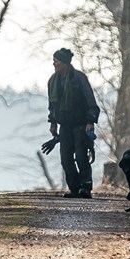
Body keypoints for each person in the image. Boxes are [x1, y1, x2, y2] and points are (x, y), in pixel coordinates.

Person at [47, 47, 100, 198]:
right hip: (64, 126)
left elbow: (90, 101)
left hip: (80, 125)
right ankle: (74, 188)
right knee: (66, 158)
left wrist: (90, 121)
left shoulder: (79, 78)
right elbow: (52, 105)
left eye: (56, 61)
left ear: (64, 63)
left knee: (81, 155)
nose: (54, 64)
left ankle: (86, 187)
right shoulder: (52, 82)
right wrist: (53, 123)